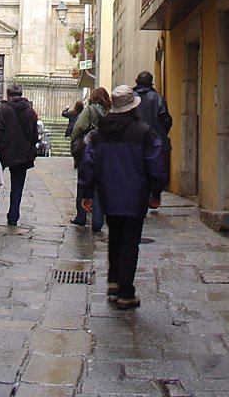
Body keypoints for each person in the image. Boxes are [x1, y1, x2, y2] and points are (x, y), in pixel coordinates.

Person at [79, 84, 167, 310]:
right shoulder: (144, 133)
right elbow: (156, 164)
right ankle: (126, 293)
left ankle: (114, 282)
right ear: (133, 108)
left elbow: (89, 163)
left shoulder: (100, 134)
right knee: (130, 241)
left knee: (115, 236)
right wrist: (156, 192)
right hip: (135, 196)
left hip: (109, 195)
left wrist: (87, 192)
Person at [0, 83, 38, 226]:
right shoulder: (30, 111)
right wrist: (30, 149)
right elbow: (35, 134)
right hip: (23, 153)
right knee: (18, 185)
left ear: (8, 94)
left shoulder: (2, 109)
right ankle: (13, 216)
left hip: (4, 151)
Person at [69, 87, 110, 230]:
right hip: (105, 152)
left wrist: (74, 143)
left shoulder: (89, 110)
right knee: (100, 185)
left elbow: (78, 128)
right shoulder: (109, 112)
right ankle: (98, 221)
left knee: (84, 182)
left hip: (89, 150)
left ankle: (81, 216)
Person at [134, 70, 172, 178]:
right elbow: (166, 120)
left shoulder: (131, 98)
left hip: (135, 143)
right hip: (155, 143)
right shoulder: (158, 98)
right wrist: (161, 133)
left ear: (137, 81)